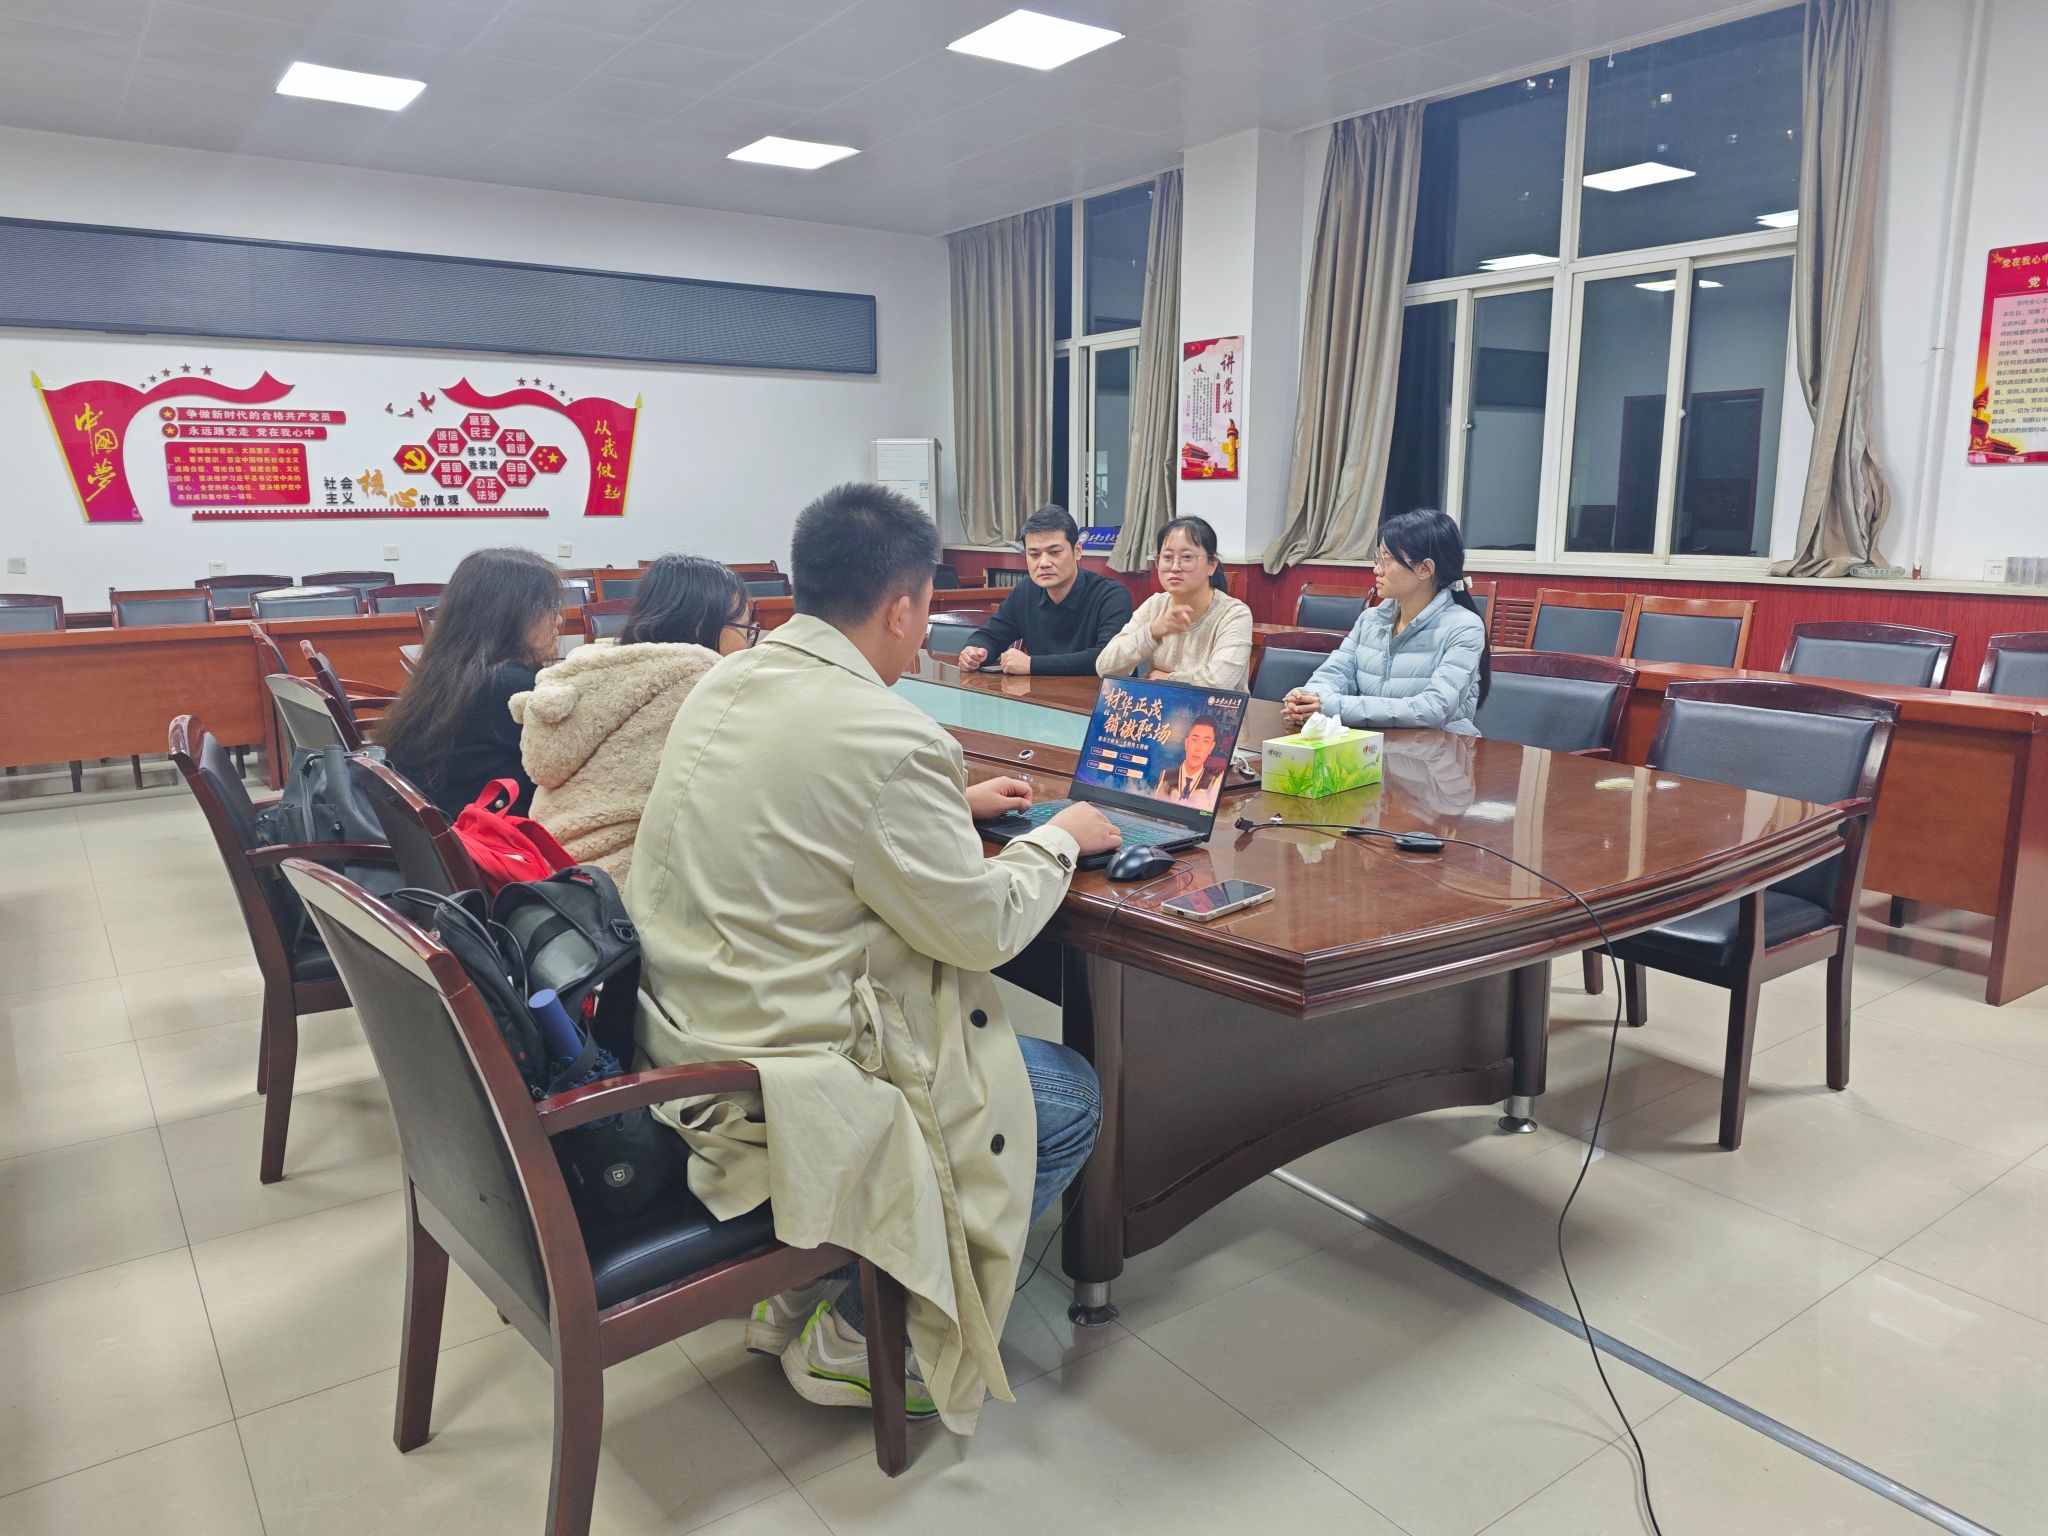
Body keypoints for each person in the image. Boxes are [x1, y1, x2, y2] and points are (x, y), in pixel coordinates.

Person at [625, 483, 1121, 1434]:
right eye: (926, 608)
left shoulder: (727, 679)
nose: (924, 626)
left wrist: (947, 807)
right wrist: (1058, 840)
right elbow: (979, 930)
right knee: (1064, 1097)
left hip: (682, 1034)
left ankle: (808, 1285)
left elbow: (805, 811)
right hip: (779, 1077)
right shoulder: (888, 734)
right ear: (901, 609)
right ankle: (863, 1331)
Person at [510, 556, 755, 883]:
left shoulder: (592, 671)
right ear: (701, 624)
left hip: (557, 874)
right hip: (630, 885)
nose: (749, 643)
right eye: (745, 628)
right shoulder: (701, 681)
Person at [377, 546, 561, 816]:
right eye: (548, 608)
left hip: (442, 827)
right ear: (510, 615)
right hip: (489, 834)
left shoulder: (451, 669)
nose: (558, 620)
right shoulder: (508, 687)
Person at [1281, 508, 1492, 736]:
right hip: (1370, 746)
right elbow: (1333, 674)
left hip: (1439, 750)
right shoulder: (1370, 620)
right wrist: (1307, 699)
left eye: (1387, 560)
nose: (1376, 569)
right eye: (1377, 558)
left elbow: (1432, 709)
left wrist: (1334, 707)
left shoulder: (1464, 627)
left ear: (1425, 569)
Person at [955, 505, 1133, 675]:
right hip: (1042, 693)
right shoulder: (1025, 592)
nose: (1044, 563)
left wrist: (1032, 664)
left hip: (1099, 695)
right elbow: (990, 636)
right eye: (1034, 554)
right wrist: (975, 652)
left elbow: (1108, 659)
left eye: (1054, 552)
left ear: (1077, 551)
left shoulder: (1111, 595)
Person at [1094, 515, 1254, 689]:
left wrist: (1166, 679)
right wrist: (1152, 632)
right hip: (1160, 705)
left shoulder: (1234, 614)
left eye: (1187, 557)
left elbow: (1219, 683)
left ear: (1212, 565)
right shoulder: (1154, 605)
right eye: (1168, 557)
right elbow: (1105, 668)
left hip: (1211, 708)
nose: (1175, 567)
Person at [1151, 714, 1224, 805]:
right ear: (1186, 743)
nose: (1198, 748)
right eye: (1194, 739)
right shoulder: (1165, 775)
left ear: (1211, 747)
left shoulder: (1212, 783)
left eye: (1205, 741)